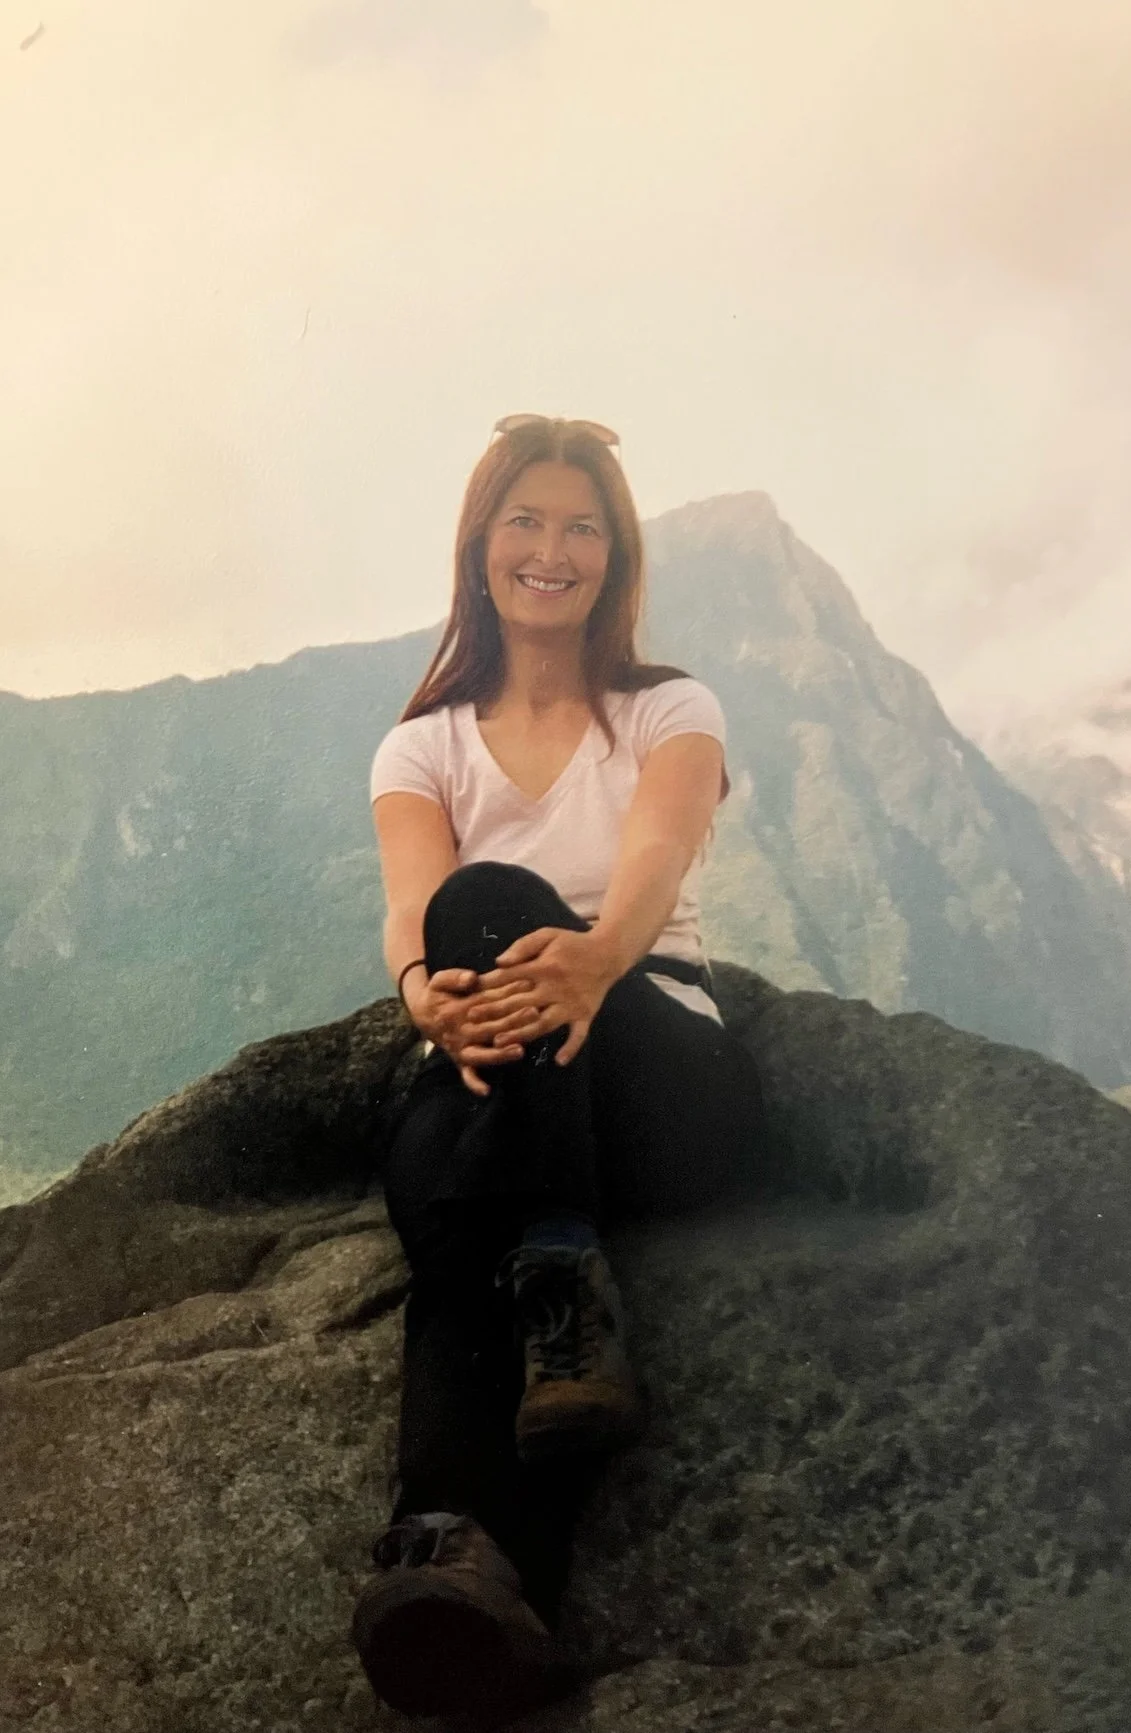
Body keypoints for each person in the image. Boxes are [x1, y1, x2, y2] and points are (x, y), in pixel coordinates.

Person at [352, 412, 771, 1722]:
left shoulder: (670, 709)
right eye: (525, 521)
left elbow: (655, 854)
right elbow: (410, 906)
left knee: (494, 913)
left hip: (658, 1073)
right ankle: (476, 1578)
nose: (553, 549)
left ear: (615, 554)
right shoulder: (423, 745)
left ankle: (445, 1512)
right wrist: (427, 1000)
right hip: (500, 1069)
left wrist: (595, 958)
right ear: (481, 548)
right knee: (467, 963)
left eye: (582, 526)